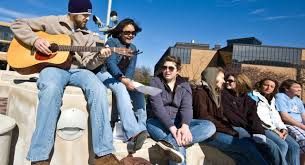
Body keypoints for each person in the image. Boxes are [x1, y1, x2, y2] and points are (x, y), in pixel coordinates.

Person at [10, 0, 119, 164]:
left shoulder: (88, 35)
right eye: (85, 15)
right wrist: (35, 41)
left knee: (98, 88)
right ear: (73, 13)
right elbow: (17, 24)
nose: (87, 19)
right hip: (53, 69)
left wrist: (100, 57)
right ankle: (39, 156)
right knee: (51, 88)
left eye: (89, 15)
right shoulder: (53, 22)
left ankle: (104, 154)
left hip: (78, 71)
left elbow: (88, 63)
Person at [146, 56, 216, 165]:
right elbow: (158, 108)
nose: (167, 71)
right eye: (164, 67)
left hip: (178, 121)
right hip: (156, 121)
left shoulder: (185, 85)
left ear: (178, 70)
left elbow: (187, 107)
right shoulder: (154, 82)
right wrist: (174, 130)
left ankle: (168, 142)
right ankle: (173, 142)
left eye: (171, 68)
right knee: (179, 144)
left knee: (210, 127)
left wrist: (185, 126)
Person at [192, 67, 268, 165]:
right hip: (209, 134)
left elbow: (221, 118)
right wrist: (231, 131)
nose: (224, 81)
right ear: (213, 77)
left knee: (242, 157)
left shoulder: (215, 94)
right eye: (222, 78)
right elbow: (204, 117)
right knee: (248, 147)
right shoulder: (200, 92)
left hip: (219, 130)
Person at [95, 18, 147, 153]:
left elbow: (131, 68)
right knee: (120, 87)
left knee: (138, 91)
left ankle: (141, 130)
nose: (131, 35)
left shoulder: (134, 48)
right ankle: (132, 134)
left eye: (133, 33)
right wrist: (124, 81)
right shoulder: (112, 42)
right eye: (127, 32)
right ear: (119, 32)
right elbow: (111, 64)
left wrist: (130, 81)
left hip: (122, 78)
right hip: (104, 73)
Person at [222, 73, 286, 165]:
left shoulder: (246, 99)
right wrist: (250, 129)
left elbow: (254, 117)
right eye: (226, 80)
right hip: (235, 127)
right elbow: (231, 117)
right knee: (261, 147)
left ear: (240, 83)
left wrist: (259, 133)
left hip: (250, 128)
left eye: (231, 81)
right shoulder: (224, 96)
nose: (227, 82)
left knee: (272, 146)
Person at [248, 78, 300, 165]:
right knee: (282, 145)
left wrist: (283, 129)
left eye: (272, 87)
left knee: (294, 146)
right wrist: (275, 130)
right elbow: (258, 117)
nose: (269, 88)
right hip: (261, 127)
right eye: (266, 85)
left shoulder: (271, 99)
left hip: (274, 128)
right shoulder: (253, 96)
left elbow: (276, 116)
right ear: (260, 85)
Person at [276, 79, 305, 164]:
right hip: (288, 125)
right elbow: (285, 117)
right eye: (296, 87)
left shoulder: (298, 100)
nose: (299, 89)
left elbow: (303, 116)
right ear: (286, 88)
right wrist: (303, 126)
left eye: (300, 87)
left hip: (299, 125)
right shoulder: (280, 97)